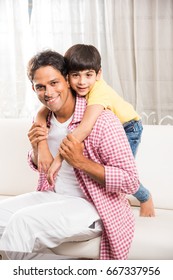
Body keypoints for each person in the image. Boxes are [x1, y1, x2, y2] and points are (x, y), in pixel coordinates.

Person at [0, 50, 139, 260]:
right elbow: (42, 167)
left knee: (23, 222)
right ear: (33, 88)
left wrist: (80, 162)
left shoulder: (102, 120)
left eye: (54, 83)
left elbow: (130, 182)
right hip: (53, 197)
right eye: (41, 87)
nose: (48, 92)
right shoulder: (43, 120)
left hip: (94, 206)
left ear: (67, 80)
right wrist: (38, 148)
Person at [36, 44, 155, 217]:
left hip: (129, 127)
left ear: (98, 75)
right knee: (100, 168)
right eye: (75, 75)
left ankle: (145, 197)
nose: (82, 82)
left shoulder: (99, 91)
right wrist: (40, 125)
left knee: (119, 172)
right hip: (111, 129)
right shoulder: (78, 90)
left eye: (88, 75)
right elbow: (46, 109)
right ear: (67, 77)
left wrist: (59, 159)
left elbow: (84, 128)